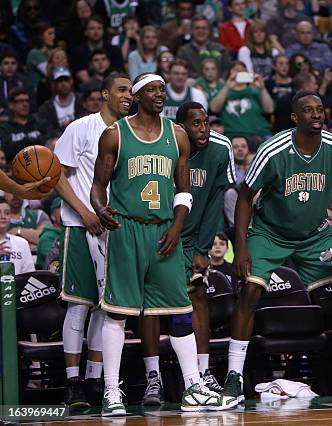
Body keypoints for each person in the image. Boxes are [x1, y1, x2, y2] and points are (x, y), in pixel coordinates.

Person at [222, 90, 332, 403]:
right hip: (269, 232)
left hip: (315, 233)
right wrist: (242, 246)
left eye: (319, 109)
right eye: (308, 110)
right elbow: (245, 196)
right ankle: (234, 374)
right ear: (294, 117)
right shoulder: (272, 150)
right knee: (250, 291)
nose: (316, 115)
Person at [90, 73, 235, 415]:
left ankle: (194, 387)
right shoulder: (115, 135)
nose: (159, 94)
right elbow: (99, 185)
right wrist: (99, 207)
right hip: (127, 230)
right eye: (152, 89)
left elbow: (184, 190)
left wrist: (178, 226)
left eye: (162, 89)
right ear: (138, 96)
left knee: (180, 309)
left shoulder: (178, 135)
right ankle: (112, 391)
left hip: (166, 230)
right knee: (118, 312)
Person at [139, 102, 236, 405]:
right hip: (162, 236)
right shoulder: (162, 145)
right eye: (196, 124)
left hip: (194, 238)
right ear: (180, 127)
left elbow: (214, 201)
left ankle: (202, 375)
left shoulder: (220, 149)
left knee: (198, 296)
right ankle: (152, 378)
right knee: (152, 304)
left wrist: (203, 248)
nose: (203, 129)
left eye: (206, 122)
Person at [54, 72, 133, 408]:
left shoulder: (131, 133)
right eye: (122, 90)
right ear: (104, 94)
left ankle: (94, 379)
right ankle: (72, 384)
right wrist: (85, 213)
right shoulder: (81, 128)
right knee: (79, 306)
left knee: (106, 309)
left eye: (131, 91)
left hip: (114, 230)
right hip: (80, 224)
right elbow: (56, 175)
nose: (128, 96)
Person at [209, 61, 273, 139]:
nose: (239, 71)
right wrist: (227, 86)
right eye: (236, 70)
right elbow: (214, 109)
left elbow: (269, 110)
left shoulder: (255, 90)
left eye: (242, 70)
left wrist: (262, 88)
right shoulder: (223, 91)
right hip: (233, 135)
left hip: (259, 133)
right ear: (229, 73)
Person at [0, 88, 49, 163]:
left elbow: (47, 144)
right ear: (11, 105)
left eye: (27, 101)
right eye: (20, 101)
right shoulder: (5, 128)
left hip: (41, 164)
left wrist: (21, 144)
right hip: (15, 168)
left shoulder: (40, 123)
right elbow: (8, 151)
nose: (25, 104)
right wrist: (31, 140)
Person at [37, 67, 86, 137]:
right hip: (58, 140)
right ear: (54, 84)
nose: (63, 84)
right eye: (59, 81)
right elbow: (45, 129)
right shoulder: (46, 108)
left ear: (71, 81)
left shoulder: (82, 101)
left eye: (66, 80)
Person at [0, 196, 35, 274]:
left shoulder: (21, 243)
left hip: (17, 285)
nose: (3, 217)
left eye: (7, 213)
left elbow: (30, 275)